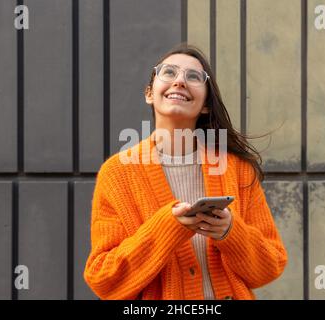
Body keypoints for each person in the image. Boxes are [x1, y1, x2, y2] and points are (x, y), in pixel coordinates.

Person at [83, 43, 287, 300]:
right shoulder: (117, 173)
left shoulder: (237, 169)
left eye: (193, 77)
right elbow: (104, 280)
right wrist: (168, 227)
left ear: (205, 104)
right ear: (149, 92)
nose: (180, 81)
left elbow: (270, 266)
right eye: (169, 72)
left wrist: (231, 232)